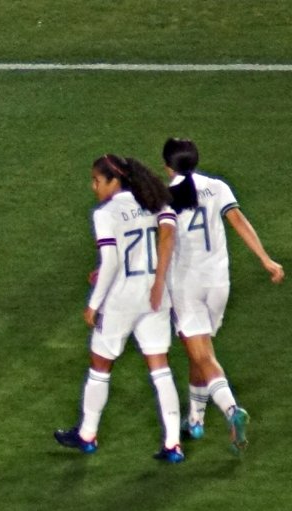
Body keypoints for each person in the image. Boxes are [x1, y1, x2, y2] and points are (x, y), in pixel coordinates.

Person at [54, 154, 185, 462]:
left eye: (97, 181)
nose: (94, 187)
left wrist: (93, 304)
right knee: (160, 368)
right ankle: (173, 443)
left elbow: (112, 261)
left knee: (100, 366)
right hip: (155, 294)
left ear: (114, 182)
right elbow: (164, 239)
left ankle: (87, 434)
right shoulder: (154, 201)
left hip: (121, 299)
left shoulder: (106, 213)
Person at [163, 138, 284, 454]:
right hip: (218, 284)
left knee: (203, 355)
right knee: (198, 352)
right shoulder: (217, 187)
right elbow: (239, 222)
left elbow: (160, 243)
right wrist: (266, 259)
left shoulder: (165, 198)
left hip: (186, 285)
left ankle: (232, 410)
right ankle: (196, 419)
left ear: (167, 166)